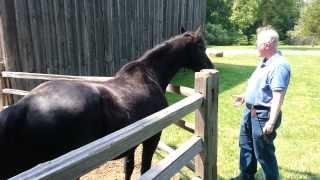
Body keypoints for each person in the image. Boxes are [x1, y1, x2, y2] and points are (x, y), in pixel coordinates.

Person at [231, 27, 291, 180]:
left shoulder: (279, 65)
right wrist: (244, 96)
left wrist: (271, 122)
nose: (255, 46)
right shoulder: (265, 62)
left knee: (263, 153)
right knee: (246, 145)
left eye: (257, 43)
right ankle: (246, 176)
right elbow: (260, 86)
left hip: (263, 115)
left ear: (267, 45)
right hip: (250, 111)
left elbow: (278, 96)